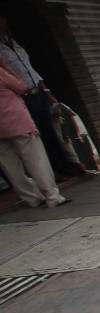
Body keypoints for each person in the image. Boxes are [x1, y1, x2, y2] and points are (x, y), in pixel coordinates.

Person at [0, 13, 75, 180]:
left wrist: (46, 91)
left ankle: (65, 165)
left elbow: (30, 68)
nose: (3, 22)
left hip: (37, 92)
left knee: (51, 131)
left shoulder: (14, 42)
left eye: (3, 19)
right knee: (38, 137)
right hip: (22, 97)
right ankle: (52, 173)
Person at [0, 57, 70, 207]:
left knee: (10, 166)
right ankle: (52, 196)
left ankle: (32, 198)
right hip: (17, 122)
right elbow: (22, 87)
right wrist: (7, 68)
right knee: (35, 159)